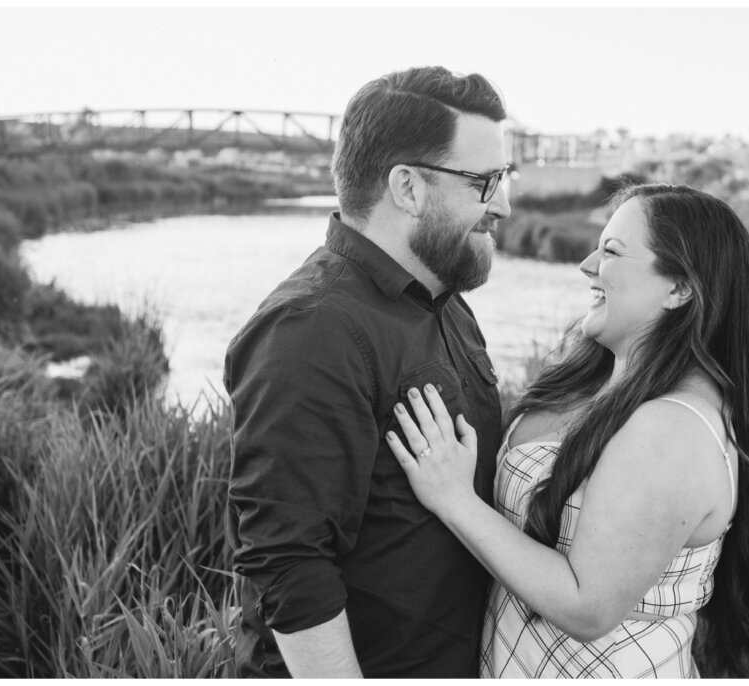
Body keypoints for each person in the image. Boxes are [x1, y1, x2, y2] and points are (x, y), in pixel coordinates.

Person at [387, 183, 749, 677]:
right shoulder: (597, 377)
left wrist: (455, 500)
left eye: (612, 251)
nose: (587, 264)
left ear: (679, 288)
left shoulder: (674, 428)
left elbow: (588, 607)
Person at [224, 66, 512, 678]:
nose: (504, 205)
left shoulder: (447, 304)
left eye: (504, 179)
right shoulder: (310, 329)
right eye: (485, 182)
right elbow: (290, 562)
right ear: (407, 187)